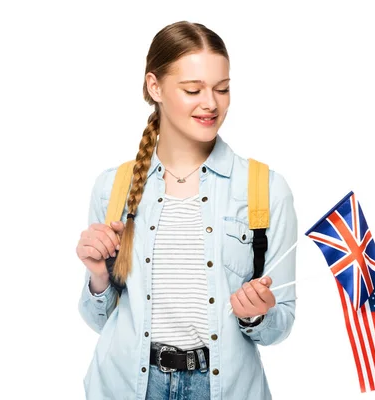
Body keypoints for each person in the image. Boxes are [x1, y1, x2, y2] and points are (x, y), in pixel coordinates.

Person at [76, 20, 298, 400]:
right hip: (127, 386)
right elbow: (100, 320)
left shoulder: (265, 189)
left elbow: (281, 324)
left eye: (222, 89)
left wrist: (257, 314)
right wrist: (98, 277)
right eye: (193, 89)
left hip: (224, 389)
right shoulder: (113, 188)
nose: (211, 103)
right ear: (154, 86)